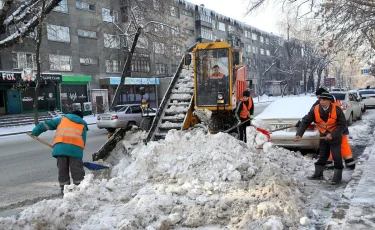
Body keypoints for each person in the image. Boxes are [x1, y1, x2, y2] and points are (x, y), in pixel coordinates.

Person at [31, 110, 88, 195]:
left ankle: (65, 192)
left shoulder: (62, 119)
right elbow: (83, 140)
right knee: (77, 171)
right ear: (80, 117)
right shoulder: (83, 124)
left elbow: (45, 124)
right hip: (75, 150)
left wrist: (35, 132)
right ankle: (79, 192)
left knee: (62, 171)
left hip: (60, 149)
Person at [295, 92, 347, 185]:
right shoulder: (315, 109)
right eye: (320, 100)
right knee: (323, 155)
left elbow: (342, 125)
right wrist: (299, 134)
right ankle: (318, 174)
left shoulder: (337, 110)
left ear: (329, 101)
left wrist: (332, 134)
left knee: (336, 156)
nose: (322, 102)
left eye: (324, 100)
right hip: (323, 136)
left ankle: (337, 177)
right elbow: (306, 121)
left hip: (335, 137)